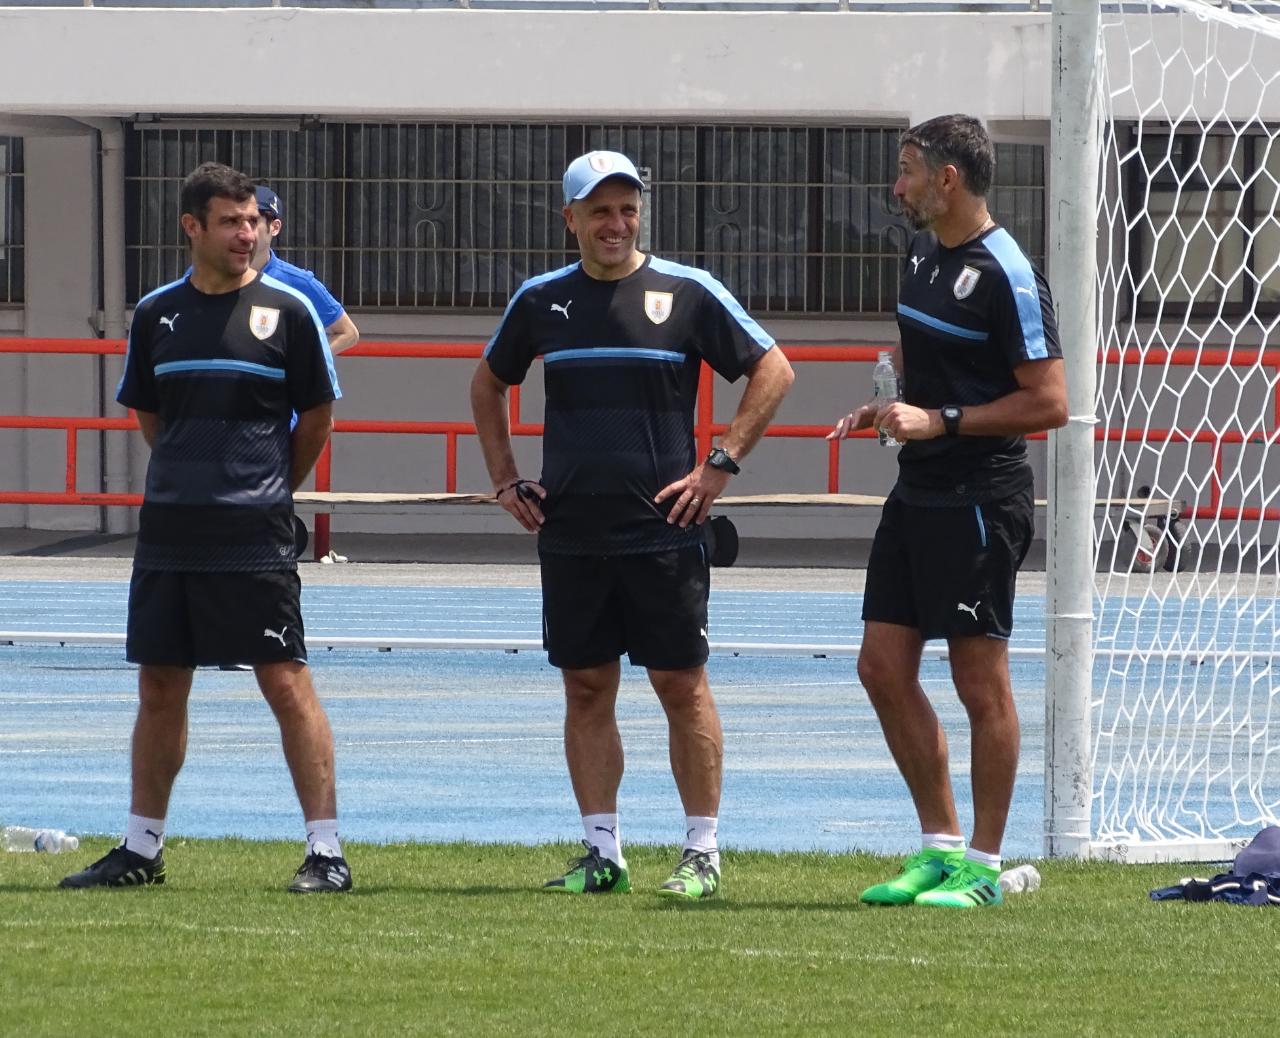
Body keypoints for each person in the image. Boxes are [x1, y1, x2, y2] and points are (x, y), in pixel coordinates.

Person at [471, 150, 794, 899]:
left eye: (627, 208)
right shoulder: (541, 300)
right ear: (571, 219)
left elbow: (774, 369)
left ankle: (703, 853)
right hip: (573, 532)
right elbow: (488, 383)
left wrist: (721, 462)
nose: (615, 224)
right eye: (600, 210)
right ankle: (602, 853)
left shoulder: (686, 292)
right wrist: (503, 478)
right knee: (586, 689)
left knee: (682, 686)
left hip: (664, 530)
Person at [59, 162, 349, 894]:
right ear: (193, 227)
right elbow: (152, 416)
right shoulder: (157, 314)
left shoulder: (288, 312)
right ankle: (141, 849)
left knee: (285, 681)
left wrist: (267, 481)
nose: (247, 234)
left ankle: (327, 853)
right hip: (170, 532)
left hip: (253, 532)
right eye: (231, 221)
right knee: (160, 685)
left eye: (253, 221)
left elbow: (316, 417)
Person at [828, 115, 1067, 909]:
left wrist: (944, 423)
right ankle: (938, 847)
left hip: (978, 497)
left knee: (978, 681)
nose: (896, 187)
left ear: (947, 179)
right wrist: (892, 411)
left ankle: (985, 867)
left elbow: (1050, 402)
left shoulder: (1009, 273)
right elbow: (943, 380)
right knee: (881, 668)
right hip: (919, 488)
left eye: (906, 171)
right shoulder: (922, 249)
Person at [250, 185, 360, 356]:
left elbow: (348, 333)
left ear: (275, 227)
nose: (243, 229)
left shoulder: (297, 281)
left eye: (253, 221)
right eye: (235, 220)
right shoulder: (209, 275)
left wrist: (306, 365)